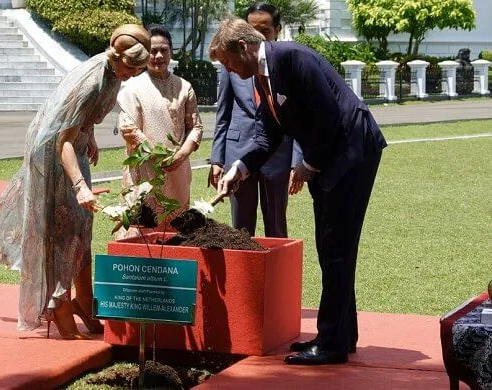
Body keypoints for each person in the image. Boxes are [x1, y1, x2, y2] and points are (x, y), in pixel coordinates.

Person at [209, 18, 387, 365]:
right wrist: (239, 169)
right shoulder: (261, 77)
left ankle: (332, 344)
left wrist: (310, 164)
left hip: (352, 152)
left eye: (227, 62)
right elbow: (267, 137)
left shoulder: (291, 57)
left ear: (242, 47)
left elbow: (329, 115)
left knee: (335, 246)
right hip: (330, 157)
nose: (228, 70)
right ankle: (339, 334)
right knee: (332, 247)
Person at [0, 24, 151, 339]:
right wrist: (80, 186)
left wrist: (91, 134)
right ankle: (58, 302)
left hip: (73, 143)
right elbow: (63, 142)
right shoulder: (92, 80)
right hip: (53, 153)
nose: (134, 74)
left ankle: (84, 299)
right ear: (116, 54)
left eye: (139, 69)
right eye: (131, 67)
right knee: (62, 229)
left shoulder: (112, 72)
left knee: (82, 222)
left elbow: (81, 117)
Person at [209, 2, 303, 238]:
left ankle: (276, 274)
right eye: (252, 30)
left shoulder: (286, 63)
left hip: (277, 154)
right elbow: (223, 113)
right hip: (238, 152)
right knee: (240, 229)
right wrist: (217, 158)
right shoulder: (231, 63)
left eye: (265, 31)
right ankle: (243, 273)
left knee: (276, 227)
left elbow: (299, 117)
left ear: (278, 29)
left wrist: (296, 161)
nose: (257, 37)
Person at [115, 24, 203, 239]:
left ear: (171, 51)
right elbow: (128, 128)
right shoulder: (133, 87)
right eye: (153, 51)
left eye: (164, 50)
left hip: (178, 171)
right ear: (145, 53)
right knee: (142, 223)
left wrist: (181, 155)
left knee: (175, 225)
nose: (158, 56)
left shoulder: (184, 87)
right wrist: (156, 154)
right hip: (144, 169)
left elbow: (196, 126)